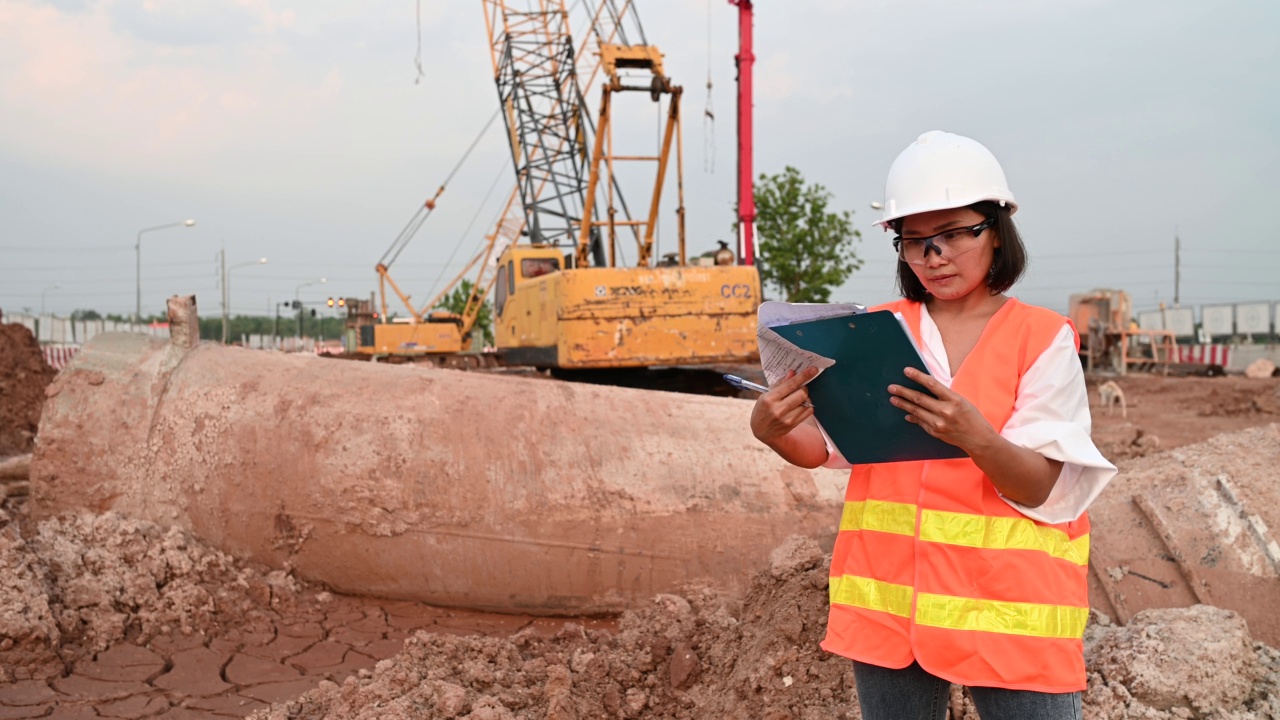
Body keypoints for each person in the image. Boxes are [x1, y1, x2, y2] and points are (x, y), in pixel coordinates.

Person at [749, 130, 1116, 720]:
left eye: (951, 235)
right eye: (914, 242)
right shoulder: (876, 331)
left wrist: (976, 436)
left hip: (1008, 614)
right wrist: (775, 430)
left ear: (995, 230)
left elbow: (1042, 486)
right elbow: (827, 448)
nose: (932, 256)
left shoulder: (1041, 338)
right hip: (892, 612)